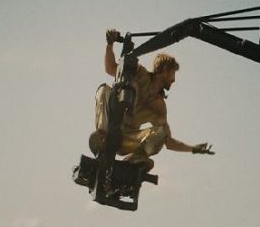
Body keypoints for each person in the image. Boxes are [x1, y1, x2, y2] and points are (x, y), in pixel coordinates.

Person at [89, 29, 215, 171]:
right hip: (111, 126)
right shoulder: (139, 73)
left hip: (127, 139)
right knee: (103, 89)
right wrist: (110, 44)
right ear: (165, 69)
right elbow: (110, 68)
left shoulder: (159, 106)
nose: (174, 80)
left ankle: (135, 158)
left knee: (160, 132)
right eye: (173, 74)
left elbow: (168, 141)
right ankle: (101, 136)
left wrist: (193, 149)